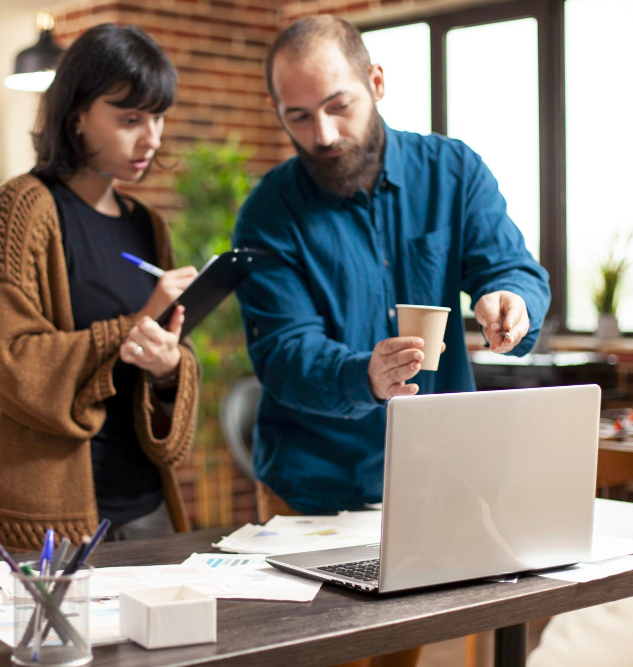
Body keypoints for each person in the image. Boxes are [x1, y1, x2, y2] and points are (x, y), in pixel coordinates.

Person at [232, 16, 551, 667]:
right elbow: (283, 353)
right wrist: (362, 375)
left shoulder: (453, 173)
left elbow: (510, 266)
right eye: (298, 117)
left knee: (399, 658)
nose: (321, 135)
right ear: (278, 112)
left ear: (375, 81)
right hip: (312, 488)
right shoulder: (268, 213)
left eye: (337, 106)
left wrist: (509, 300)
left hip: (432, 486)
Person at [0, 24, 199, 558]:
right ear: (77, 116)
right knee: (42, 645)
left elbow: (161, 363)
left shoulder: (148, 224)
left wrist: (166, 368)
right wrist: (136, 323)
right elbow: (8, 361)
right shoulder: (18, 208)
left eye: (158, 117)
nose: (152, 138)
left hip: (144, 505)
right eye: (130, 118)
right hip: (44, 514)